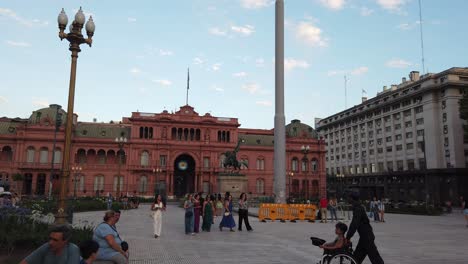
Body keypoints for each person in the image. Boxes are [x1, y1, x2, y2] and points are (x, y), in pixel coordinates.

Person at [346, 191, 384, 264]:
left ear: (351, 198)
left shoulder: (358, 208)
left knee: (376, 259)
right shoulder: (358, 207)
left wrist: (348, 237)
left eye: (349, 197)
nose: (348, 199)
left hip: (367, 237)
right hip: (364, 237)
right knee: (356, 259)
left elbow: (354, 224)